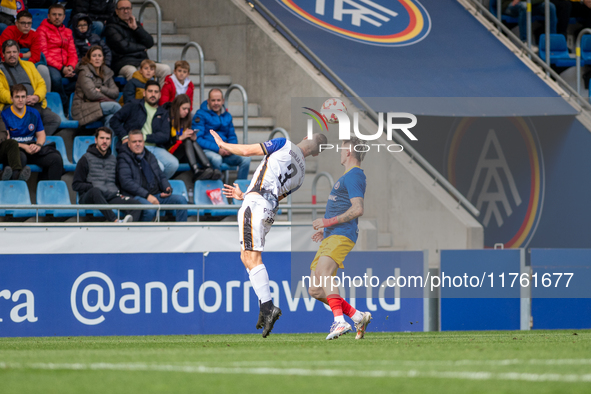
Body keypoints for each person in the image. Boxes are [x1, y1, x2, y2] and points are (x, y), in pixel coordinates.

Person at [216, 130, 328, 338]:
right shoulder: (302, 176)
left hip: (256, 204)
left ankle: (268, 307)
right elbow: (278, 192)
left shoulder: (284, 143)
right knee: (247, 256)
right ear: (316, 154)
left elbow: (248, 151)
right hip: (269, 209)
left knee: (252, 257)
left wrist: (224, 144)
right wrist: (244, 195)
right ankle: (264, 306)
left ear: (304, 136)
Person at [307, 137, 371, 340]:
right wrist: (326, 229)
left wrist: (327, 222)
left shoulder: (354, 176)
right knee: (315, 289)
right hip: (332, 234)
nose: (340, 152)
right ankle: (357, 316)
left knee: (323, 271)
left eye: (342, 148)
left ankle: (340, 322)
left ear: (349, 152)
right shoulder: (348, 176)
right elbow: (342, 207)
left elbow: (358, 209)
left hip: (342, 235)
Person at [110, 80, 179, 179]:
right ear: (144, 93)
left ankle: (156, 187)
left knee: (173, 164)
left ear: (159, 95)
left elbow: (164, 136)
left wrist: (145, 137)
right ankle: (152, 189)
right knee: (159, 167)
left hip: (155, 148)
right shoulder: (134, 105)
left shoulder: (163, 113)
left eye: (156, 92)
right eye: (150, 91)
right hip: (136, 146)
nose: (153, 94)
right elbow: (114, 120)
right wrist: (124, 136)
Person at [117, 129, 188, 222]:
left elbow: (160, 175)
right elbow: (126, 183)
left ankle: (181, 232)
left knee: (181, 200)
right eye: (134, 142)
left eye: (140, 141)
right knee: (150, 209)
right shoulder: (123, 157)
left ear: (143, 142)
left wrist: (167, 188)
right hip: (136, 196)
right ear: (129, 144)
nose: (138, 144)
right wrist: (147, 196)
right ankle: (141, 233)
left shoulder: (149, 155)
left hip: (155, 194)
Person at [73, 127, 138, 223]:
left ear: (111, 141)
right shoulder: (85, 159)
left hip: (110, 197)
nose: (104, 141)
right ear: (96, 140)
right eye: (102, 138)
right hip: (90, 197)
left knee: (136, 205)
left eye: (107, 139)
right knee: (95, 191)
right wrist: (91, 186)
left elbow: (117, 181)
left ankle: (128, 231)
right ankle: (116, 222)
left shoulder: (113, 159)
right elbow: (76, 185)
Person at [0, 40, 61, 136]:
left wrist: (37, 97)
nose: (12, 55)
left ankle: (36, 142)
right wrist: (21, 99)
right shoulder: (0, 70)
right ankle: (25, 142)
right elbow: (1, 93)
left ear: (18, 53)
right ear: (3, 54)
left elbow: (41, 84)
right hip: (13, 106)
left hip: (34, 104)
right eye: (8, 52)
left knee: (54, 120)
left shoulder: (29, 65)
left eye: (14, 52)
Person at [1, 84, 63, 180]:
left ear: (26, 98)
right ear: (11, 99)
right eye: (17, 97)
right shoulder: (5, 115)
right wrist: (24, 147)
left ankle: (47, 191)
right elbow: (7, 140)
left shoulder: (34, 113)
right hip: (17, 149)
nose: (20, 100)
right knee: (21, 158)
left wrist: (38, 145)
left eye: (23, 97)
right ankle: (15, 191)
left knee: (55, 158)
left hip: (31, 147)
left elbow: (41, 134)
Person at [104, 0, 170, 82]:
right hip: (123, 63)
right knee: (133, 72)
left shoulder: (135, 24)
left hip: (141, 62)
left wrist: (136, 29)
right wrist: (142, 48)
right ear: (116, 11)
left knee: (165, 69)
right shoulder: (111, 27)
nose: (126, 11)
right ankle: (137, 95)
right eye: (122, 9)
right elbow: (124, 47)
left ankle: (159, 94)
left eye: (128, 8)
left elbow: (149, 43)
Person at [194, 89, 251, 180]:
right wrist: (218, 149)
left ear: (223, 101)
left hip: (225, 152)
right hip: (208, 151)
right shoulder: (200, 114)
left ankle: (239, 189)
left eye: (218, 100)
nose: (216, 103)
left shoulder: (227, 116)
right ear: (208, 101)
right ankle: (219, 190)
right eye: (213, 100)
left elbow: (232, 136)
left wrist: (230, 148)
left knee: (246, 159)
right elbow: (198, 138)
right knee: (217, 159)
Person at [163, 94, 220, 181]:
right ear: (177, 107)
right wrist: (180, 137)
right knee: (187, 141)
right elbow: (164, 141)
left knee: (191, 140)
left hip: (183, 153)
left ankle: (208, 167)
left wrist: (193, 137)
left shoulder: (185, 119)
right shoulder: (167, 118)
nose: (186, 111)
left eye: (188, 109)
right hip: (170, 153)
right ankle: (196, 170)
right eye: (184, 109)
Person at [36, 3, 78, 113]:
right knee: (56, 79)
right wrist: (62, 68)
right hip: (51, 64)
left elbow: (72, 52)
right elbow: (44, 53)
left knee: (84, 76)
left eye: (60, 15)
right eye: (54, 14)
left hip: (67, 65)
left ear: (64, 17)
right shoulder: (42, 30)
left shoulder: (68, 32)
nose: (57, 17)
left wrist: (70, 66)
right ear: (48, 16)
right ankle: (63, 106)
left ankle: (70, 99)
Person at [0, 10, 51, 90]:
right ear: (17, 23)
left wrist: (25, 67)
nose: (26, 26)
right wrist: (24, 55)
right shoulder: (9, 31)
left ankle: (46, 97)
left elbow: (36, 57)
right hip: (10, 62)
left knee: (43, 69)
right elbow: (3, 53)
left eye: (29, 23)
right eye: (23, 23)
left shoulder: (34, 35)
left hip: (29, 63)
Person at [71, 45, 120, 129]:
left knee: (111, 118)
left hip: (99, 106)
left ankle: (110, 142)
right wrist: (109, 98)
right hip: (83, 107)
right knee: (115, 106)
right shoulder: (84, 71)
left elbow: (115, 93)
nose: (97, 58)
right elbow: (92, 94)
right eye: (94, 56)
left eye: (99, 56)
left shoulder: (107, 72)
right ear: (89, 59)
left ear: (103, 58)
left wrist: (101, 89)